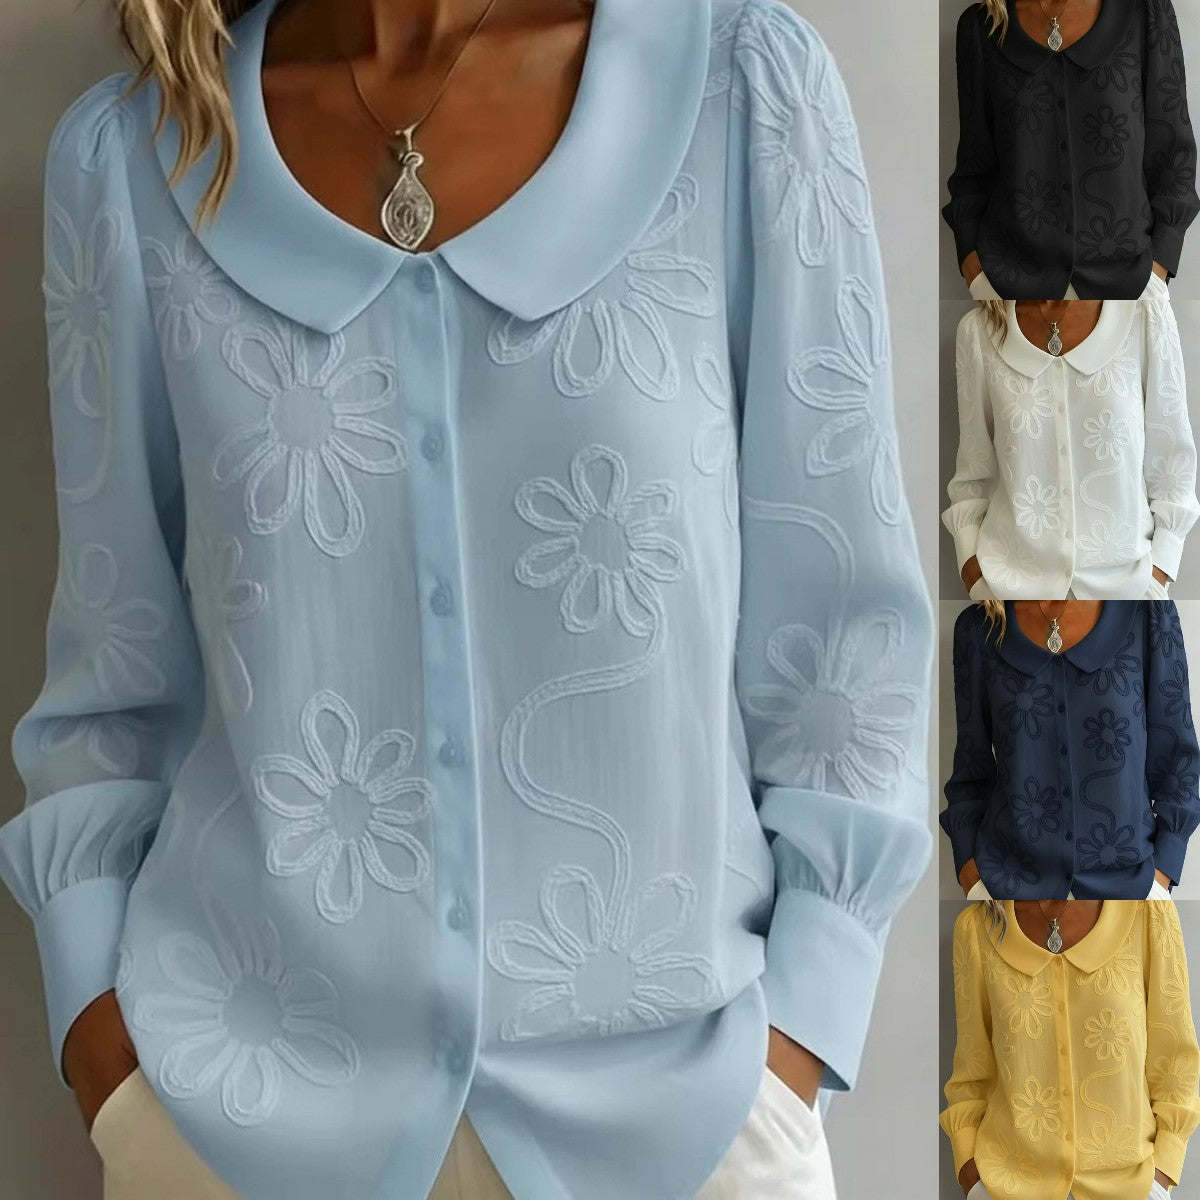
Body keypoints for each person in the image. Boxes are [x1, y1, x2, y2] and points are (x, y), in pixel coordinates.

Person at [0, 0, 935, 1198]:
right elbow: (112, 673)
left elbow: (845, 640)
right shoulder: (137, 157)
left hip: (689, 1126)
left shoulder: (739, 90)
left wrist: (799, 1036)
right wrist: (107, 1057)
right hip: (235, 1129)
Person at [944, 283, 1199, 601]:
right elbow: (973, 472)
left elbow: (1173, 463)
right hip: (1007, 591)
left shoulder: (1143, 312)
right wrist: (975, 575)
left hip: (1130, 591)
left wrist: (1157, 575)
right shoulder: (979, 331)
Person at [942, 898, 1200, 1200]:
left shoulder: (1147, 914)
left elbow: (1175, 1060)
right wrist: (970, 1173)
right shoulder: (977, 928)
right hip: (1007, 1184)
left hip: (1131, 1185)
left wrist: (1164, 1170)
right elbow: (972, 1066)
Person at [943, 600, 1199, 900]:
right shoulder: (979, 629)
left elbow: (1177, 759)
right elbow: (971, 766)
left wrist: (1163, 871)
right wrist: (969, 871)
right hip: (1007, 888)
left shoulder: (1146, 614)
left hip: (1133, 887)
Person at [944, 0, 1199, 300]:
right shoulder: (982, 27)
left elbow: (1173, 152)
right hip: (1009, 284)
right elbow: (975, 161)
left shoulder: (1144, 12)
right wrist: (972, 265)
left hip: (1131, 283)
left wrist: (1160, 264)